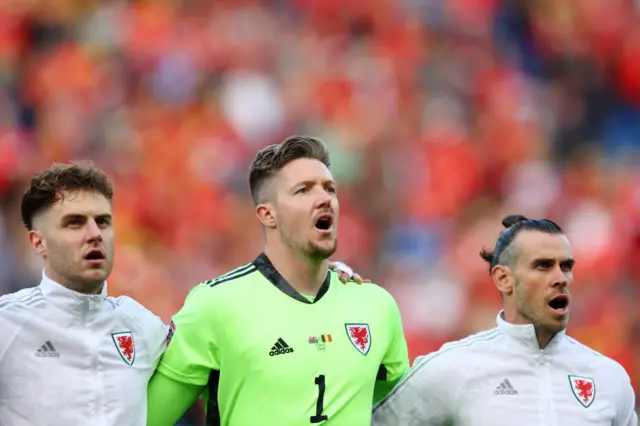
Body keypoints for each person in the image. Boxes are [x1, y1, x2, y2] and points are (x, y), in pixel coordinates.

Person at [0, 160, 364, 426]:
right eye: (74, 222)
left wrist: (312, 277)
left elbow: (228, 354)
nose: (94, 233)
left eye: (103, 221)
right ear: (38, 242)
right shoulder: (9, 323)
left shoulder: (140, 325)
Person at [146, 135, 410, 426]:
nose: (324, 199)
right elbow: (145, 419)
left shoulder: (375, 306)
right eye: (304, 190)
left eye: (329, 189)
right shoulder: (216, 306)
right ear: (268, 214)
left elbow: (402, 411)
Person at [371, 215, 638, 426]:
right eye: (543, 266)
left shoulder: (608, 378)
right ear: (503, 278)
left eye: (566, 266)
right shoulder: (451, 369)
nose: (561, 278)